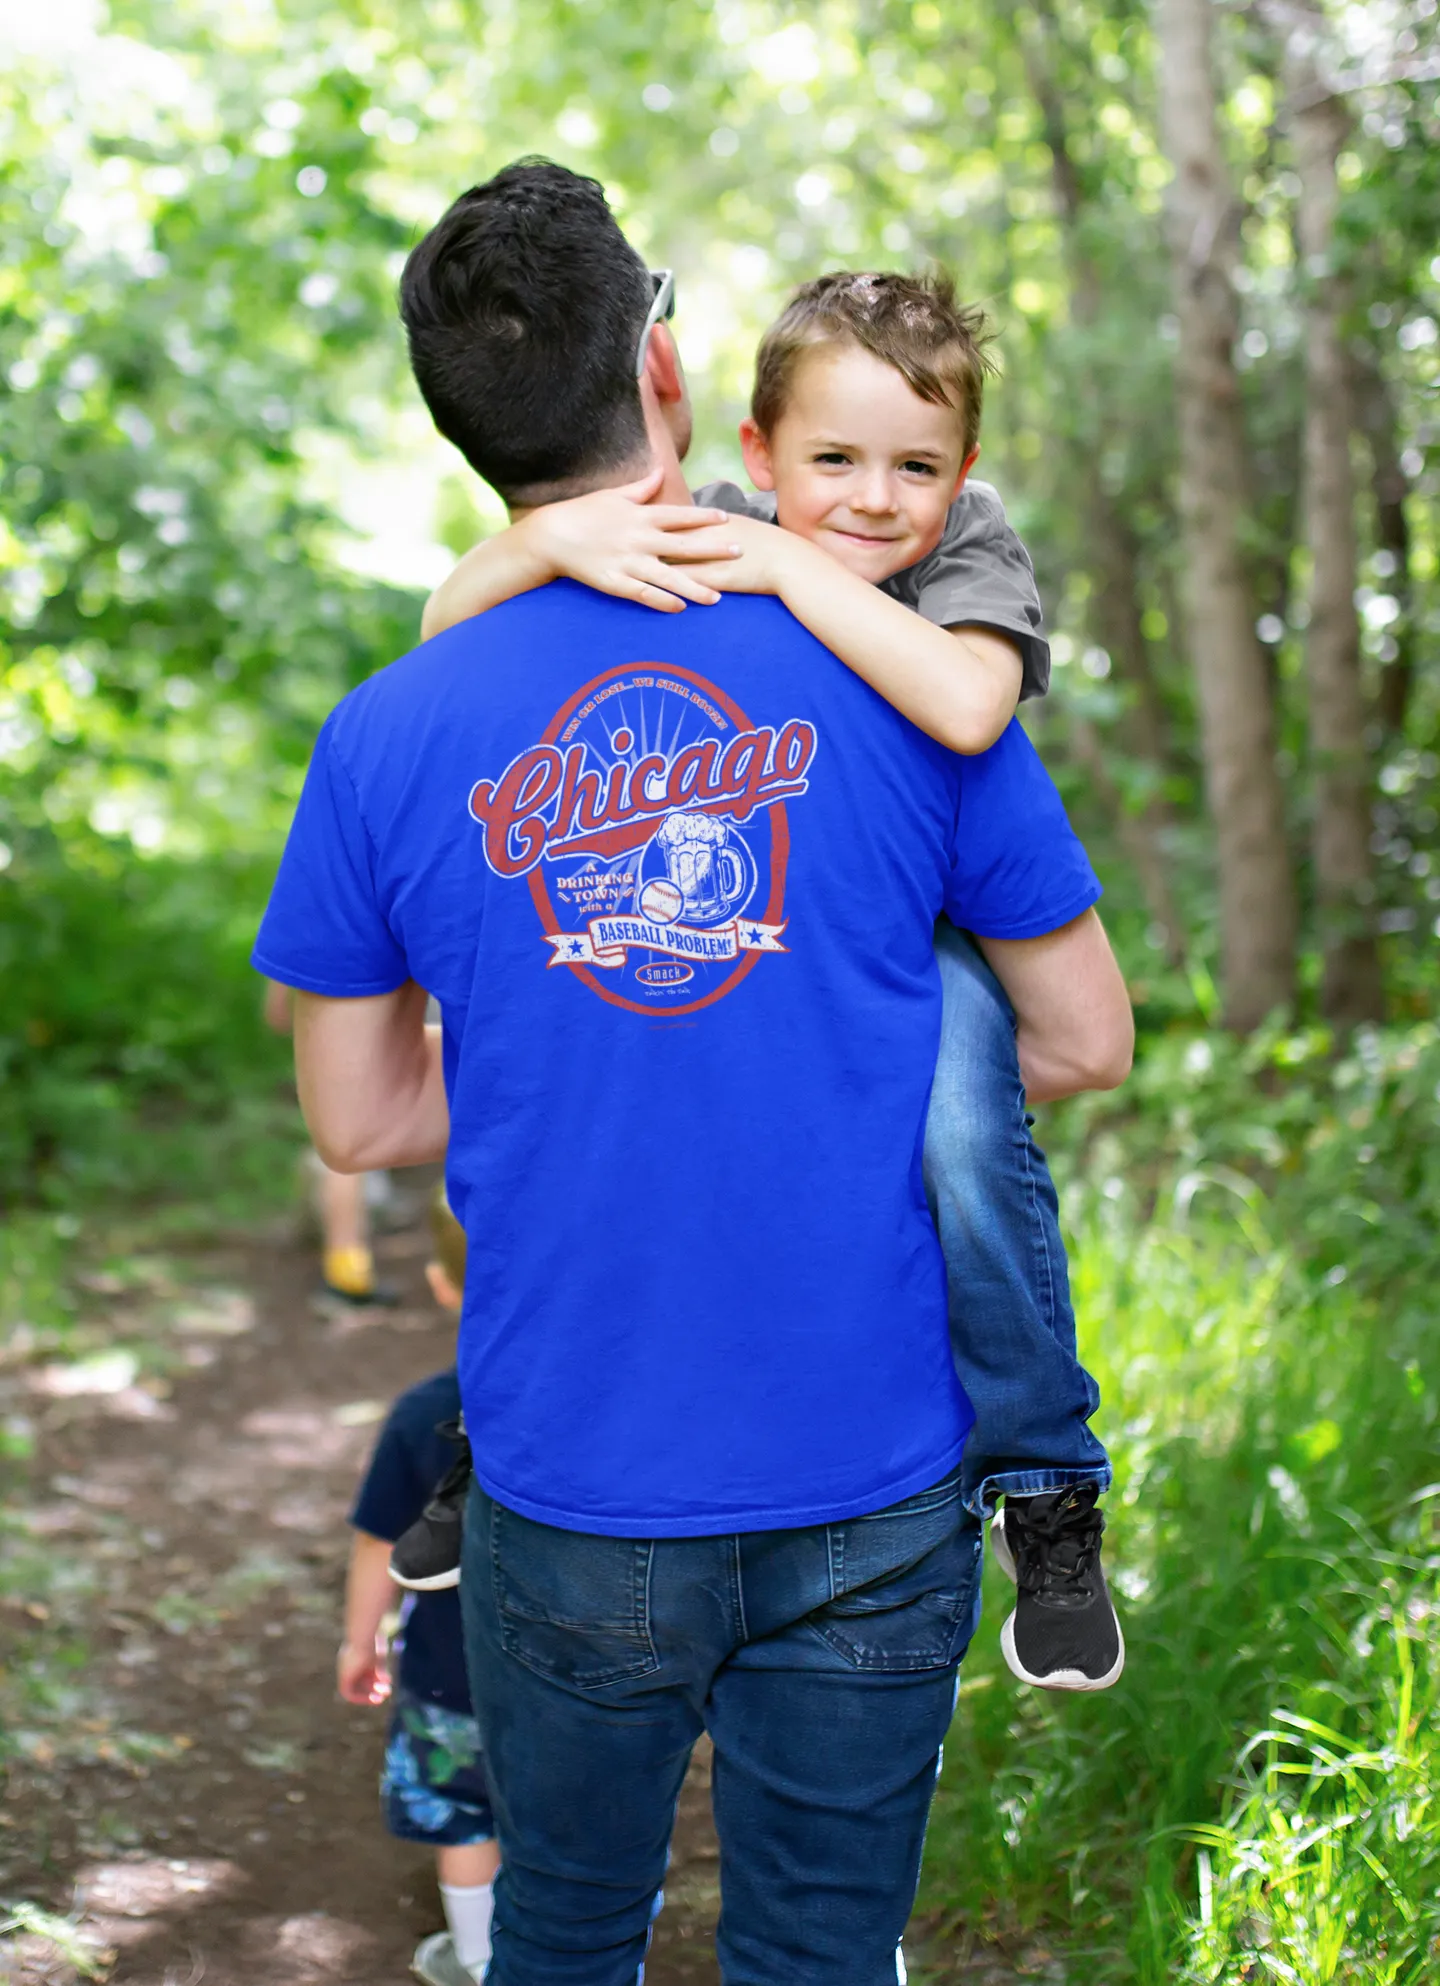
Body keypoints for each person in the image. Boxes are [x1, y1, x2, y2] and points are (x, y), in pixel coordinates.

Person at [253, 159, 1133, 1984]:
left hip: (572, 1482)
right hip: (873, 1472)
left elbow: (357, 1116)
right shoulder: (893, 680)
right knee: (826, 1946)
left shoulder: (390, 728)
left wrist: (572, 1095)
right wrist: (824, 1085)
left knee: (562, 1928)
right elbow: (1081, 1040)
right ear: (674, 374)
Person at [399, 267, 1122, 1695]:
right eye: (832, 462)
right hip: (750, 914)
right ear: (756, 455)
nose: (871, 497)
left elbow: (971, 706)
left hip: (919, 937)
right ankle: (490, 1440)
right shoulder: (711, 532)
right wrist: (557, 545)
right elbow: (443, 629)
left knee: (970, 1141)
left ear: (964, 473)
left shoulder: (960, 549)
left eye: (914, 464)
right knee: (598, 1113)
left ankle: (1047, 1483)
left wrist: (791, 571)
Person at [338, 1188, 498, 1986]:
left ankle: (476, 1959)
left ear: (442, 1283)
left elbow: (377, 1544)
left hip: (448, 1673)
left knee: (464, 1821)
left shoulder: (421, 1413)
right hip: (577, 1672)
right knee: (577, 1822)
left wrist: (359, 1641)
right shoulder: (590, 1412)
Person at [262, 978, 397, 1308]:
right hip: (364, 1028)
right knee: (347, 1155)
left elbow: (276, 1014)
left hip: (329, 1032)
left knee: (341, 1150)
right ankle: (345, 1274)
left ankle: (344, 1268)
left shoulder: (296, 924)